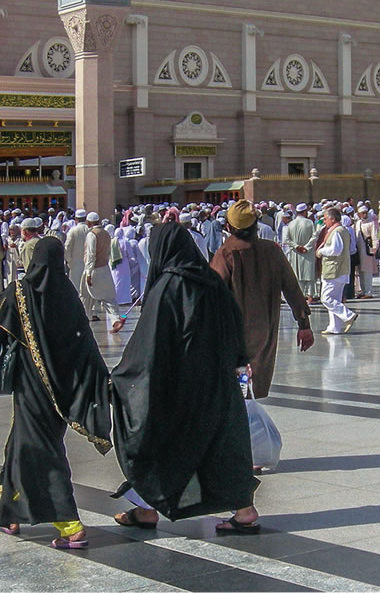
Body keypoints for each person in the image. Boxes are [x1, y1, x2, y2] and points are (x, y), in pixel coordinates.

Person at [109, 223, 261, 533]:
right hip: (218, 383)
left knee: (158, 441)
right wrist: (238, 363)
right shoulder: (212, 282)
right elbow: (234, 327)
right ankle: (244, 511)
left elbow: (149, 344)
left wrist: (125, 376)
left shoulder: (168, 286)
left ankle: (146, 509)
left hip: (179, 385)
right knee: (223, 446)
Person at [0, 237, 112, 548]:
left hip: (32, 389)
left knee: (41, 452)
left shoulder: (20, 292)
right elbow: (85, 345)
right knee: (18, 446)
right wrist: (99, 383)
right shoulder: (68, 294)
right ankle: (9, 511)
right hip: (61, 392)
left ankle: (70, 525)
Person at [210, 200, 313, 399]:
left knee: (236, 393)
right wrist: (304, 325)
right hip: (265, 332)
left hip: (234, 336)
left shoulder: (225, 254)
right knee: (254, 389)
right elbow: (292, 289)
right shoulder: (272, 250)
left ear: (229, 227)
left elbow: (211, 296)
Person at [316, 207, 357, 335]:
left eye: (326, 218)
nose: (324, 221)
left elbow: (336, 250)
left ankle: (348, 315)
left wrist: (321, 251)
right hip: (341, 270)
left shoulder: (337, 231)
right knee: (335, 299)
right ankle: (334, 327)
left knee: (326, 298)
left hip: (334, 270)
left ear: (333, 219)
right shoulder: (342, 230)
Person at [82, 212, 120, 331]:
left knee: (86, 296)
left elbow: (91, 254)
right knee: (107, 296)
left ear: (89, 222)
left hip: (93, 269)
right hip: (104, 268)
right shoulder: (106, 233)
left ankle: (84, 319)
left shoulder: (92, 235)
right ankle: (115, 319)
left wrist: (88, 273)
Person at [282, 203, 318, 302]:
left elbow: (287, 239)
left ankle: (300, 296)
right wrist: (306, 247)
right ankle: (310, 296)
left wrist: (296, 246)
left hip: (296, 252)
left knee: (298, 275)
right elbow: (314, 237)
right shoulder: (309, 223)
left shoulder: (291, 224)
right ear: (305, 212)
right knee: (309, 274)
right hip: (307, 252)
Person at [64, 209, 89, 298]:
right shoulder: (90, 230)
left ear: (76, 219)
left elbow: (67, 247)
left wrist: (69, 260)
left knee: (76, 288)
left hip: (75, 263)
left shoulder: (73, 231)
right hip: (89, 262)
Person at [355, 206, 378, 298]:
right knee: (360, 271)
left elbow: (375, 236)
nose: (364, 215)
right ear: (359, 214)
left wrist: (375, 248)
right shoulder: (358, 223)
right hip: (359, 250)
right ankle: (363, 291)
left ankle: (368, 292)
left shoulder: (371, 223)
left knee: (367, 271)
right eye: (362, 213)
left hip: (367, 250)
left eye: (366, 213)